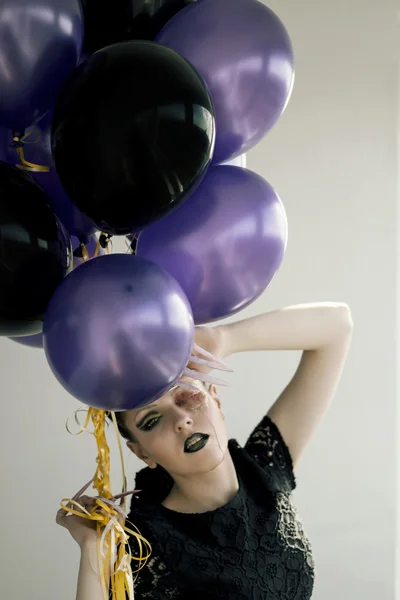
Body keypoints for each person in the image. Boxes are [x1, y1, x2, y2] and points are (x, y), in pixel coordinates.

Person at [57, 303, 353, 600]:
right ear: (142, 453)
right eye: (152, 420)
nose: (182, 421)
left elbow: (338, 325)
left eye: (186, 395)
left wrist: (224, 339)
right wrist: (93, 548)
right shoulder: (144, 547)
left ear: (216, 399)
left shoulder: (263, 469)